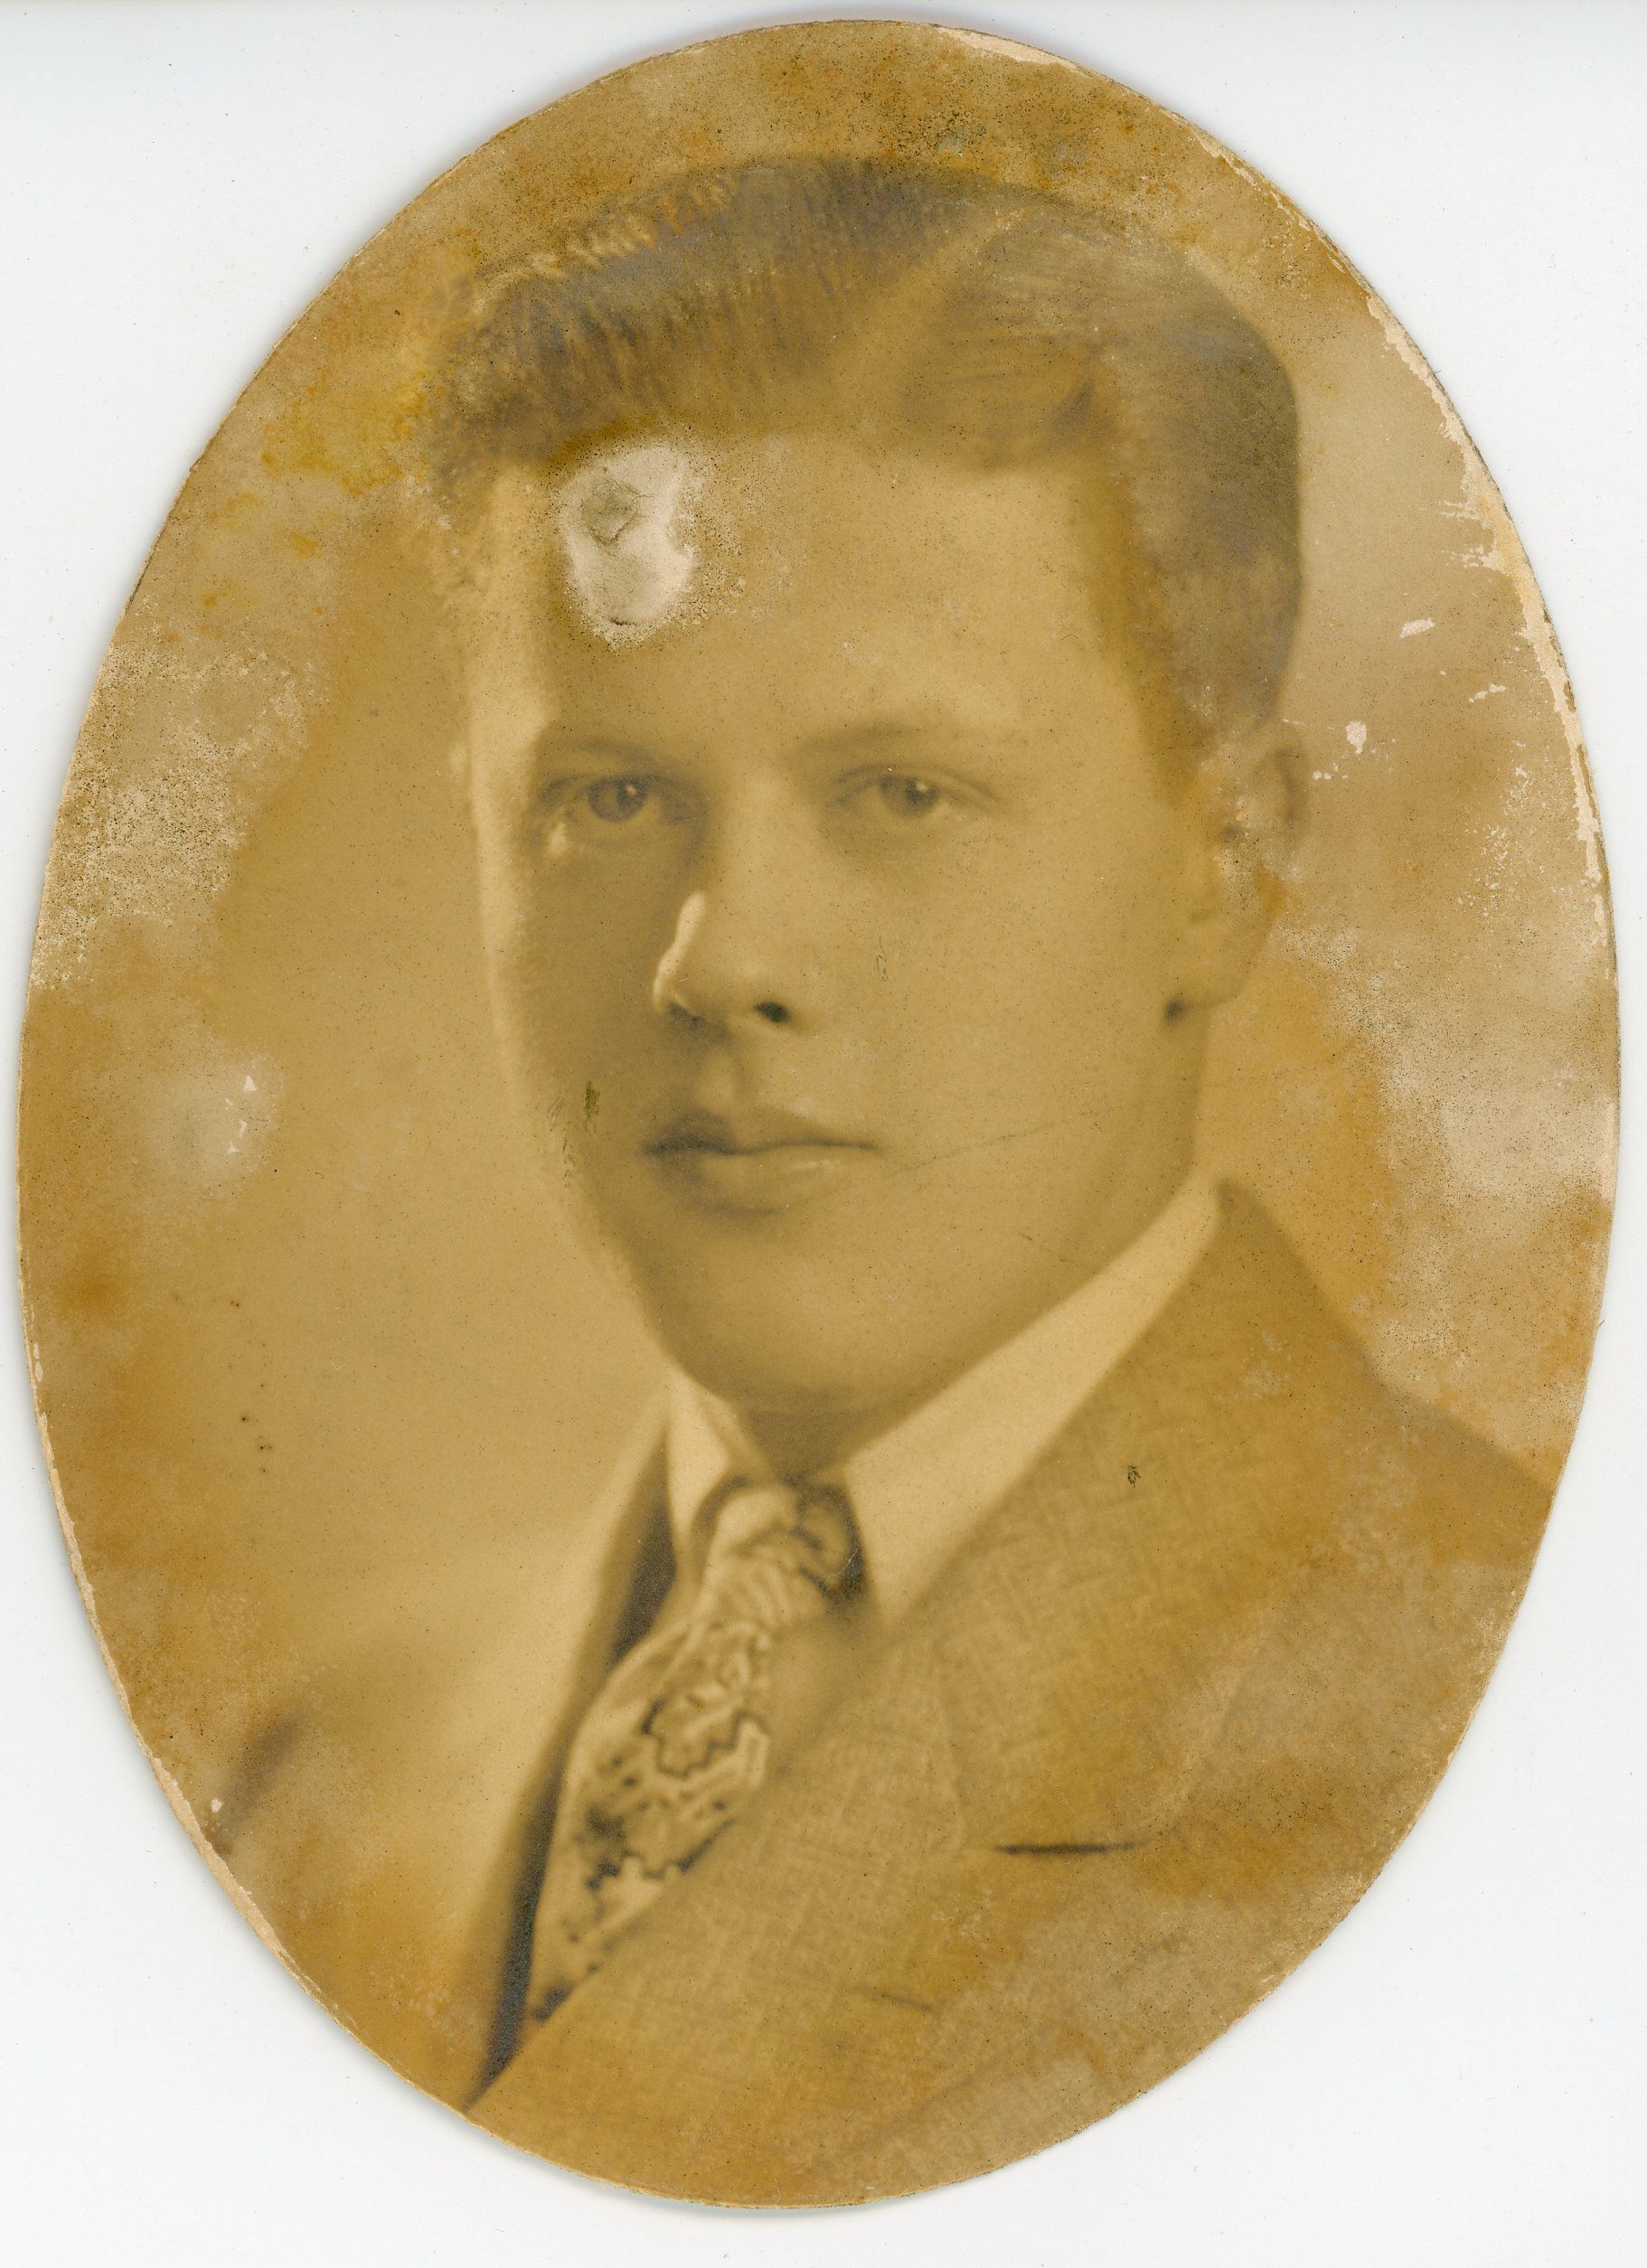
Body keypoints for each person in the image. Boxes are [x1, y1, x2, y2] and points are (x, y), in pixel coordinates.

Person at [214, 159, 1545, 2204]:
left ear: (1225, 862)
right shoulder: (328, 1775)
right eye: (610, 795)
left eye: (899, 793)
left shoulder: (1508, 1720)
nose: (719, 955)